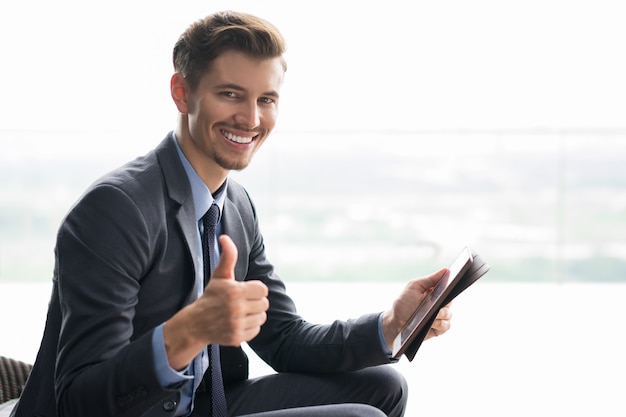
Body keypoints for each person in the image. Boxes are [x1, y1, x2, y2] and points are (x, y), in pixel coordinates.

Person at [8, 10, 452, 417]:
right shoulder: (115, 209)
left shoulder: (235, 205)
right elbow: (78, 400)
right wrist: (186, 334)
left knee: (383, 386)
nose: (251, 118)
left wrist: (392, 325)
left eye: (267, 100)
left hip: (202, 406)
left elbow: (283, 338)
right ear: (183, 93)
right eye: (231, 94)